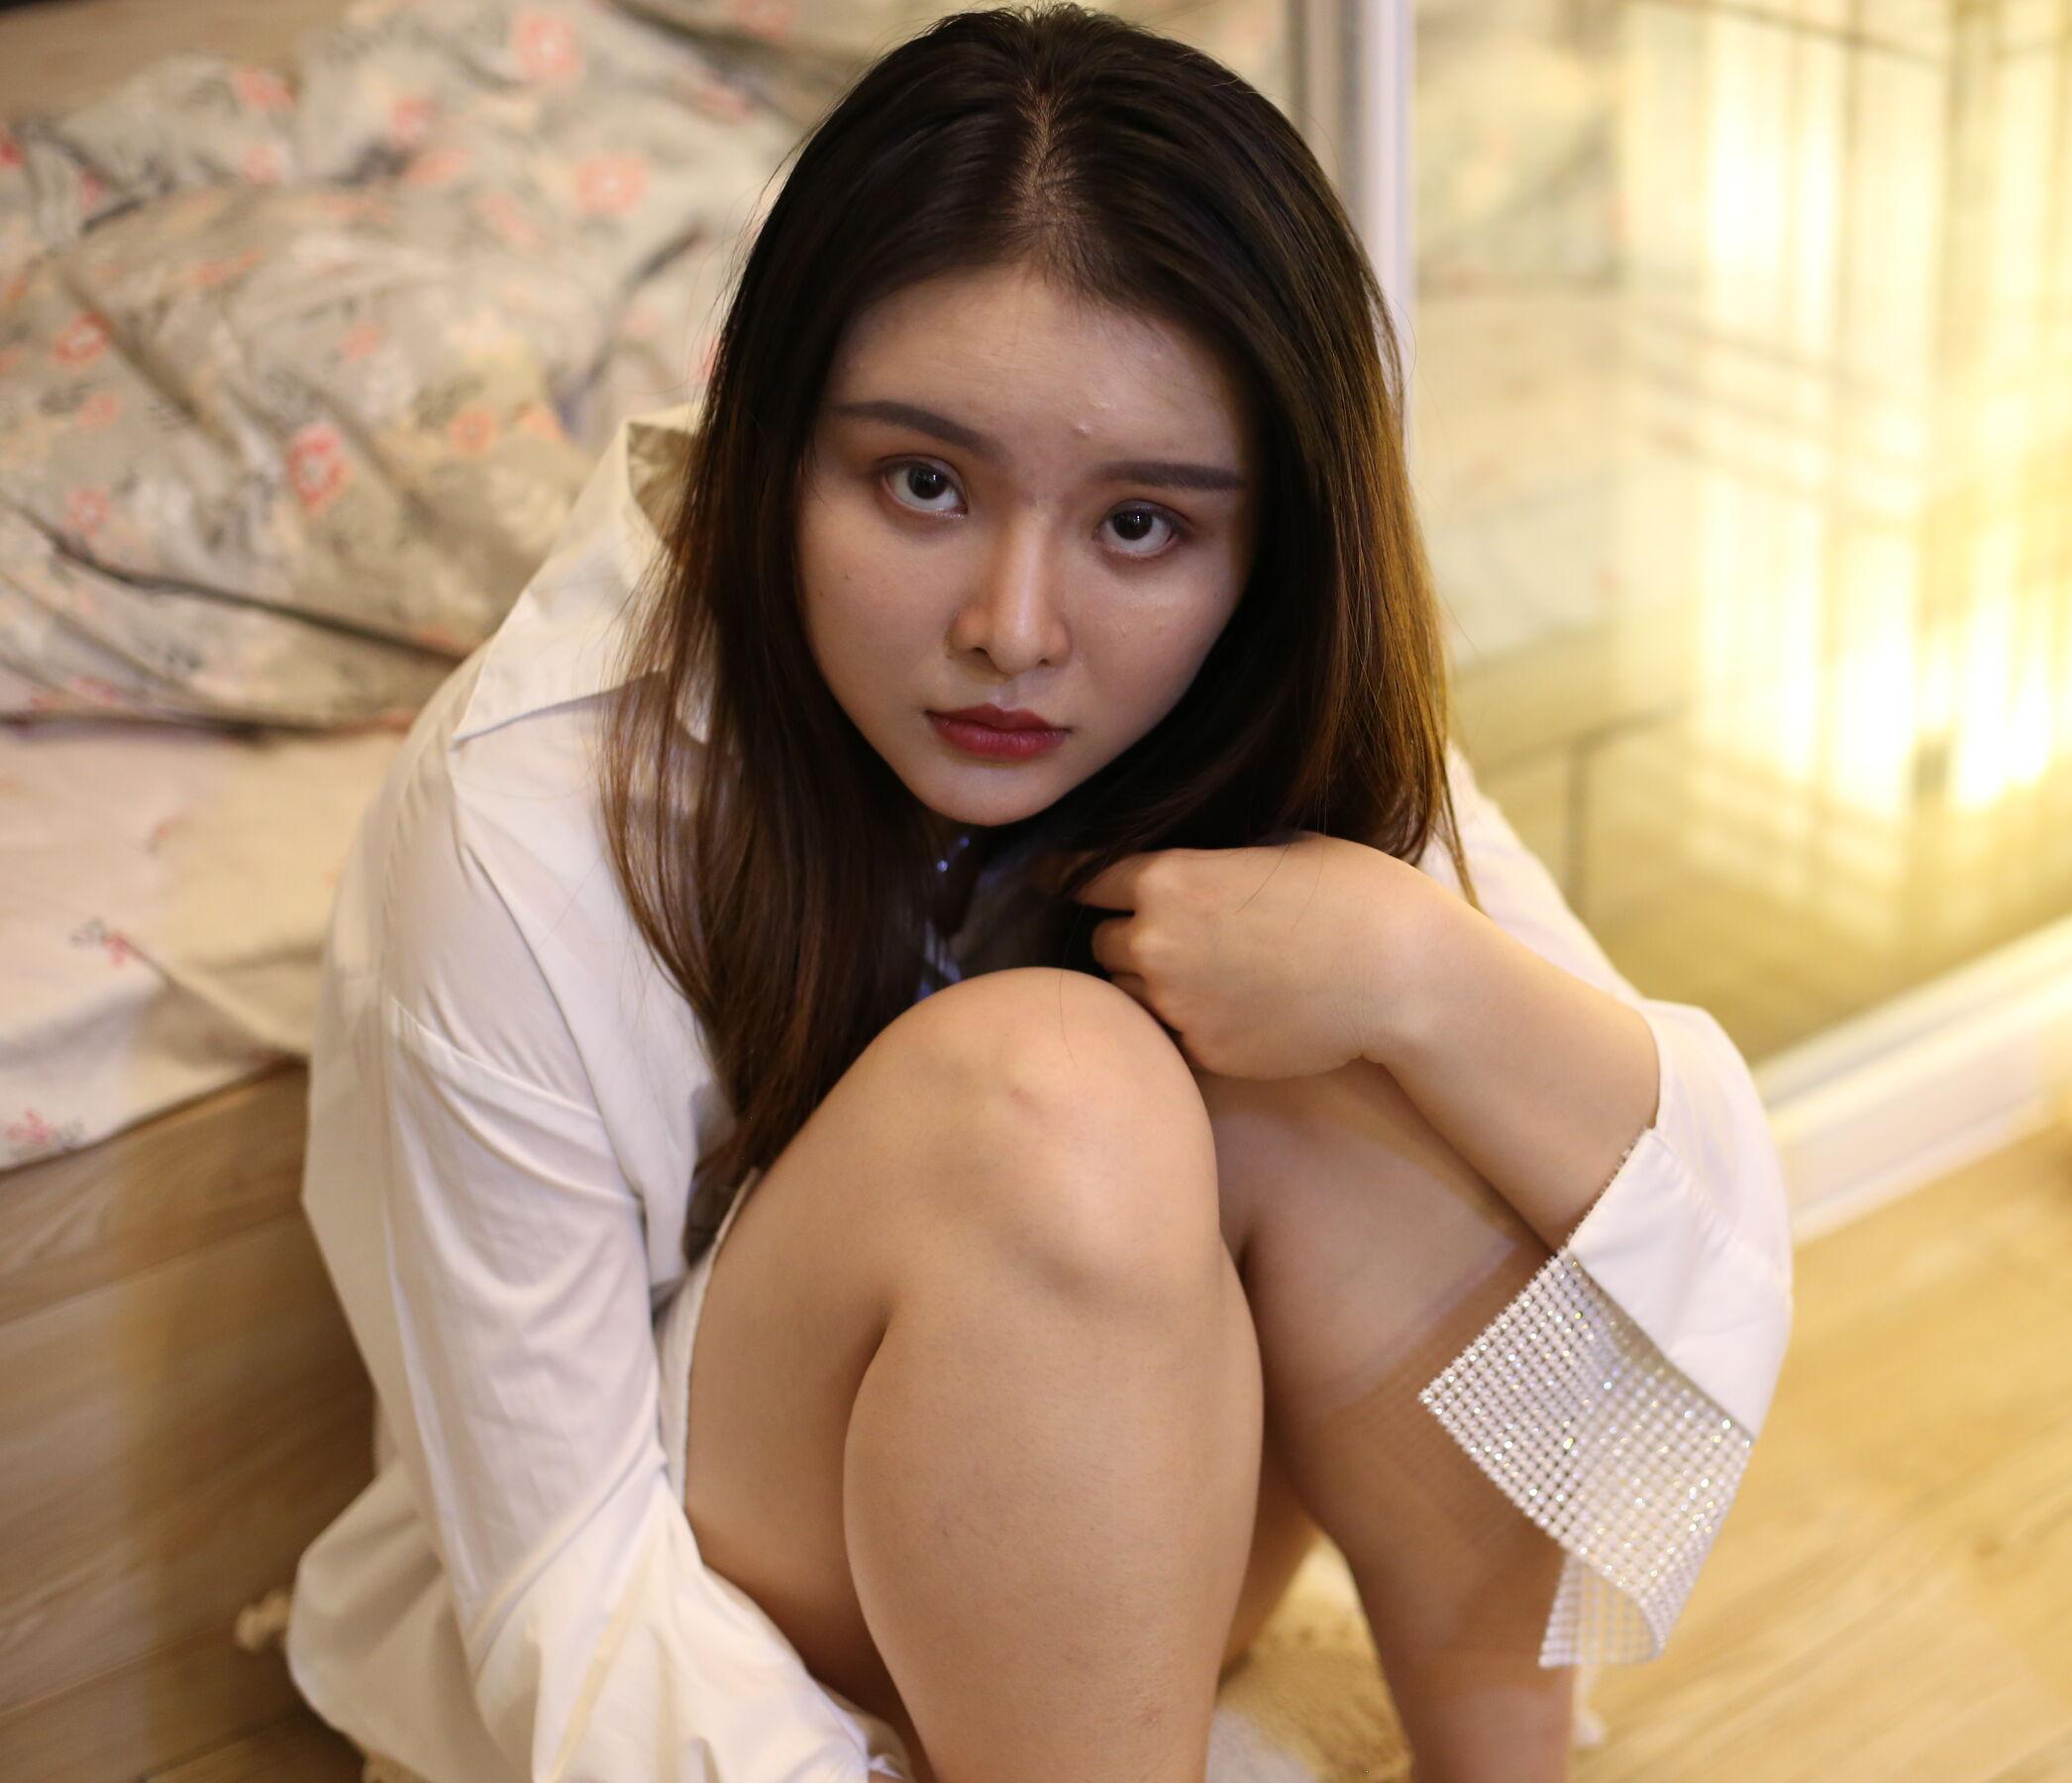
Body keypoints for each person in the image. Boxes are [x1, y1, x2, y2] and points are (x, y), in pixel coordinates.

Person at [283, 7, 1794, 1779]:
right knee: (1049, 1100)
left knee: (1396, 1035)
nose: (1013, 629)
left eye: (1140, 525)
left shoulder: (1259, 687)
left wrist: (1415, 973)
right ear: (776, 440)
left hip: (1125, 1563)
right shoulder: (524, 818)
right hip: (734, 1614)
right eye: (922, 485)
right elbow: (569, 1586)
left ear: (1263, 545)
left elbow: (1691, 1230)